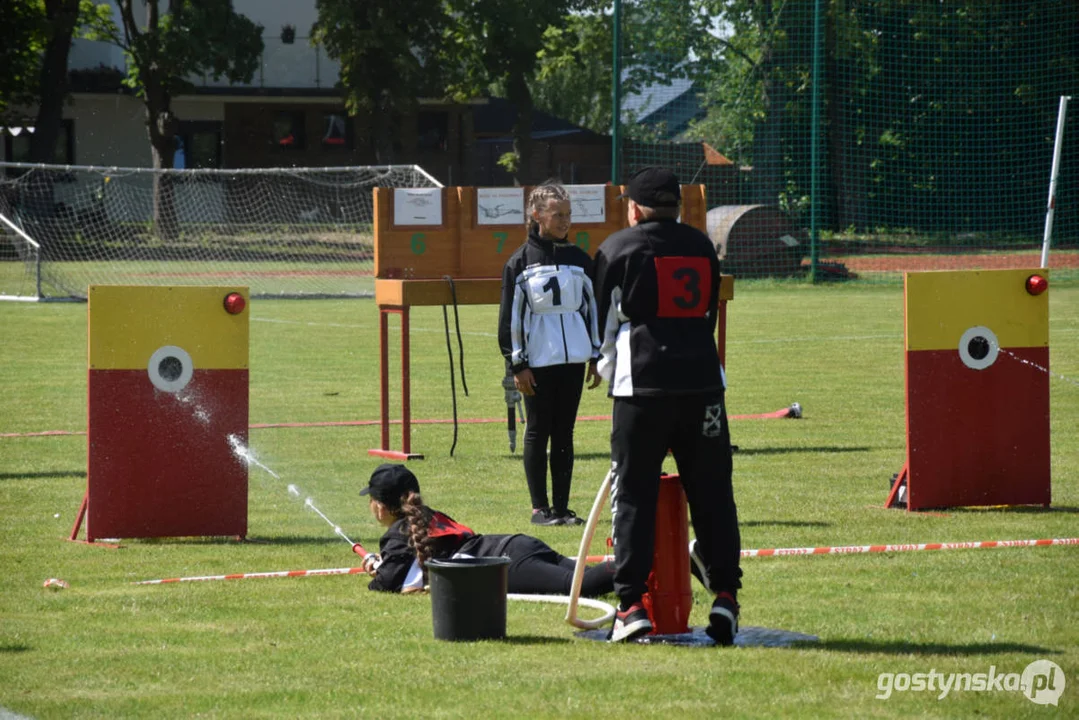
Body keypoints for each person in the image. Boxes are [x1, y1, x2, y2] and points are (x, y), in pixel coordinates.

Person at [591, 167, 742, 645]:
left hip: (643, 387)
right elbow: (705, 308)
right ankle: (725, 596)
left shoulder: (617, 248)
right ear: (677, 205)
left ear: (634, 207)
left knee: (634, 494)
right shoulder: (701, 245)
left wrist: (600, 367)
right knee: (713, 492)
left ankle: (631, 604)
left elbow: (603, 321)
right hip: (702, 383)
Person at [497, 182, 602, 527]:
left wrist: (596, 356)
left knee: (565, 432)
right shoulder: (520, 262)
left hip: (572, 363)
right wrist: (518, 363)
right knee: (538, 430)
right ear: (537, 215)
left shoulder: (578, 259)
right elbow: (510, 319)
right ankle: (539, 509)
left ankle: (562, 507)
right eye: (558, 214)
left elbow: (592, 310)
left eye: (568, 214)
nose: (565, 221)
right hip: (537, 365)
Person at [360, 463, 615, 597]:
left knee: (583, 586)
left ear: (381, 507)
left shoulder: (397, 535)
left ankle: (641, 563)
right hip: (517, 545)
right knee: (591, 577)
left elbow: (387, 583)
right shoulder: (428, 516)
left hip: (506, 565)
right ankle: (643, 572)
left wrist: (376, 569)